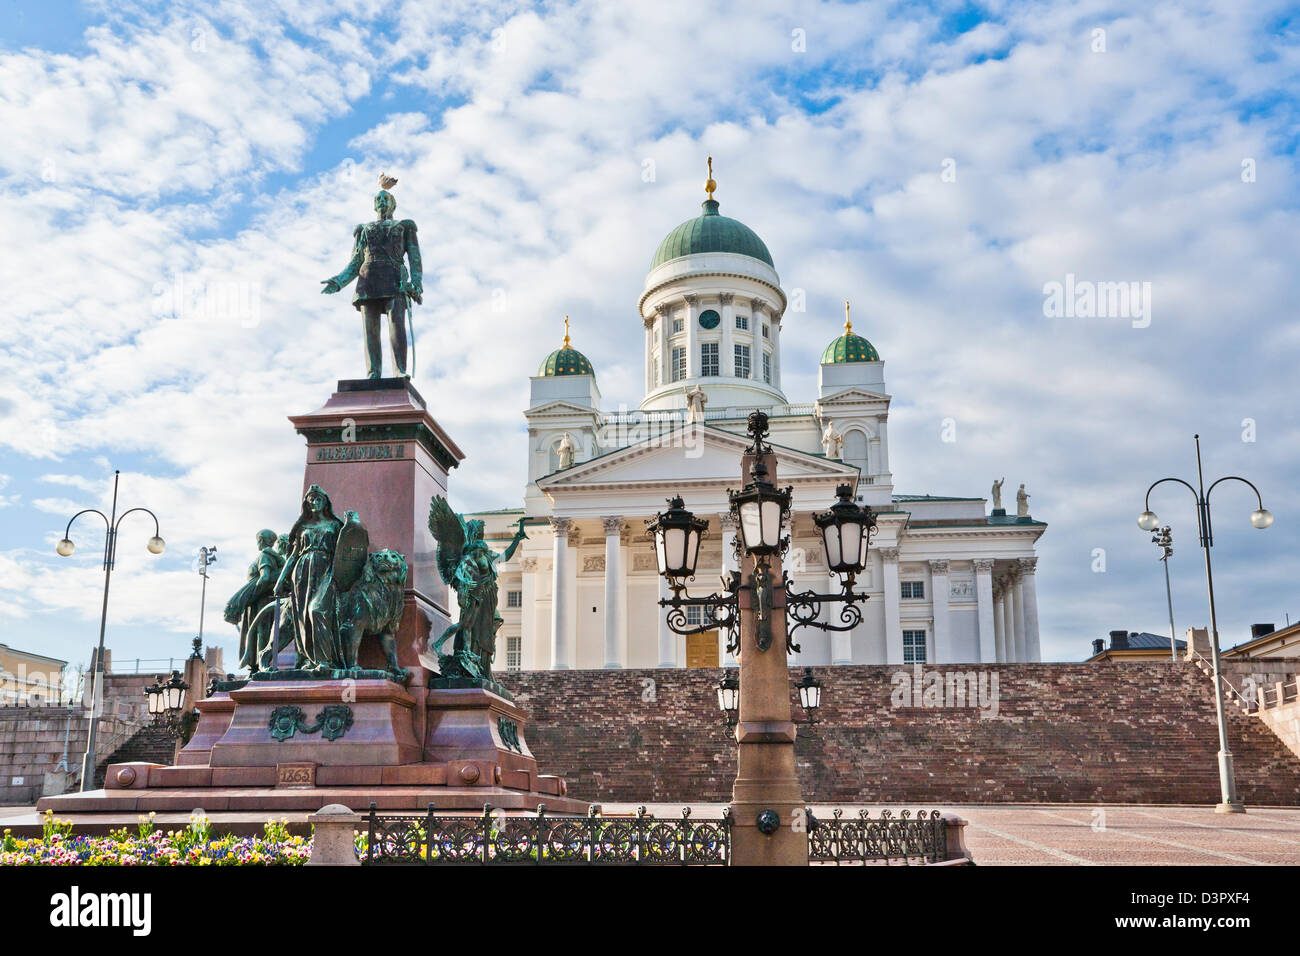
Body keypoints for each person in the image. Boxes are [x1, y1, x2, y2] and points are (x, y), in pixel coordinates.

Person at [321, 174, 423, 378]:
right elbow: (356, 261)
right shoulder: (364, 230)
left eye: (386, 199)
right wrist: (338, 281)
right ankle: (373, 372)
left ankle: (399, 371)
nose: (382, 201)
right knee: (370, 332)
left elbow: (414, 257)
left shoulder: (404, 227)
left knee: (397, 327)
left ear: (393, 204)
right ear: (374, 206)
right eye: (378, 199)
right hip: (368, 280)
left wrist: (416, 283)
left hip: (395, 280)